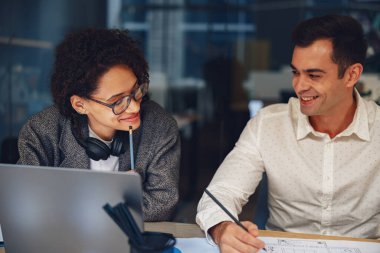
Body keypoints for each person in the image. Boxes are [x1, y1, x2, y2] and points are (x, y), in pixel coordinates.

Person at [196, 14, 380, 253]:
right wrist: (222, 228)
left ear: (352, 75)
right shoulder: (268, 124)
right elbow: (220, 194)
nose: (299, 85)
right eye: (295, 72)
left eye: (314, 75)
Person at [17, 28, 180, 222]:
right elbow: (27, 203)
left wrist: (75, 205)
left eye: (136, 90)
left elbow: (163, 204)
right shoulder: (42, 131)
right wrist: (115, 197)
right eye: (117, 101)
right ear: (80, 104)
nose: (135, 106)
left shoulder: (160, 126)